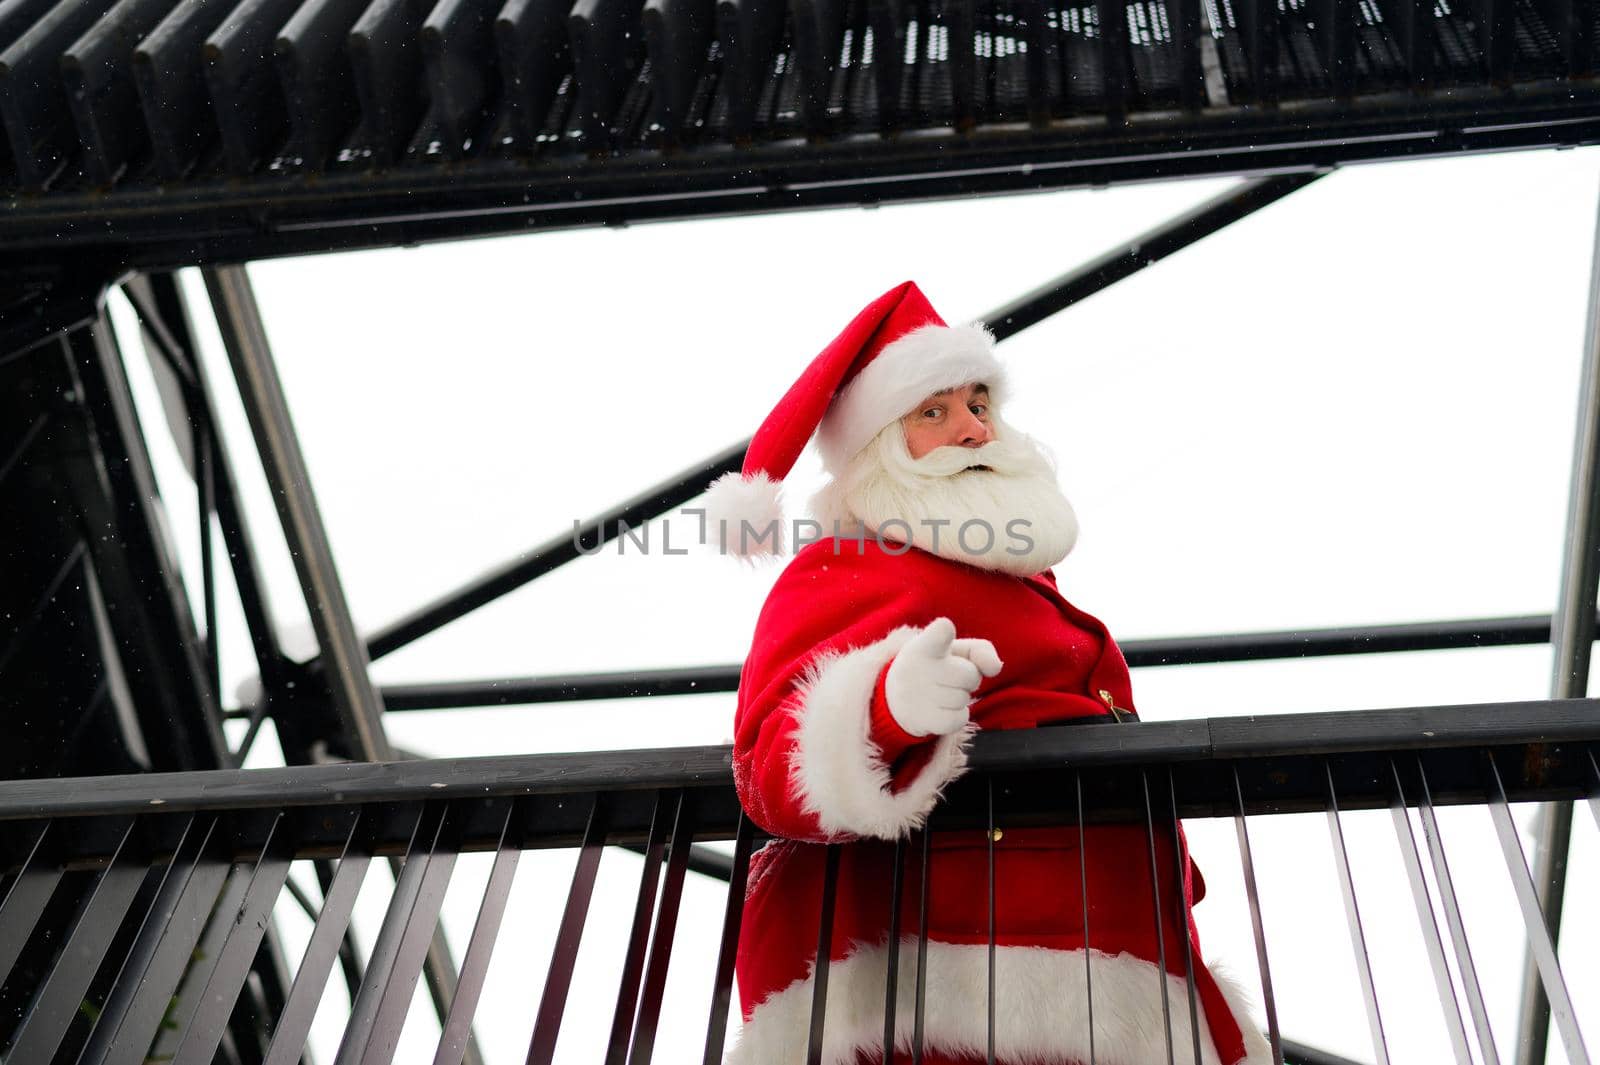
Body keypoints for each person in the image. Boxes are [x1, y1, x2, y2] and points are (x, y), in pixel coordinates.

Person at [700, 281, 1271, 1065]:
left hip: (1097, 956)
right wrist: (885, 707)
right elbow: (768, 765)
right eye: (933, 412)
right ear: (876, 450)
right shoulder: (848, 560)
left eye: (978, 404)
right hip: (948, 980)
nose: (973, 428)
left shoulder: (1015, 577)